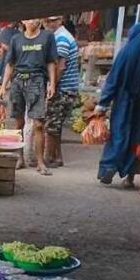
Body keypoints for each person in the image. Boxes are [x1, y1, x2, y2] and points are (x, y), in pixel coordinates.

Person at [0, 18, 59, 175]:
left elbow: (51, 62)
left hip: (37, 80)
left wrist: (52, 83)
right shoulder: (16, 39)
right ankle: (20, 158)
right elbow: (10, 64)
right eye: (30, 19)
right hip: (18, 80)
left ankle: (40, 162)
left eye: (36, 19)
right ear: (23, 22)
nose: (33, 21)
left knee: (39, 123)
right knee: (18, 123)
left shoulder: (47, 37)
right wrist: (3, 85)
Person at [94, 23, 140, 188]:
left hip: (124, 98)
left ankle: (109, 167)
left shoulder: (126, 53)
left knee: (118, 134)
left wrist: (103, 103)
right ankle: (129, 177)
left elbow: (113, 79)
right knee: (137, 139)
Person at [43, 15, 81, 168]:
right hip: (67, 87)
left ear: (60, 21)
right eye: (47, 21)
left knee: (51, 125)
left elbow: (60, 66)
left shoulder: (62, 38)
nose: (48, 24)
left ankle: (49, 158)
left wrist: (52, 85)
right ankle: (57, 157)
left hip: (63, 88)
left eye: (52, 21)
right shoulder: (60, 36)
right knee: (56, 125)